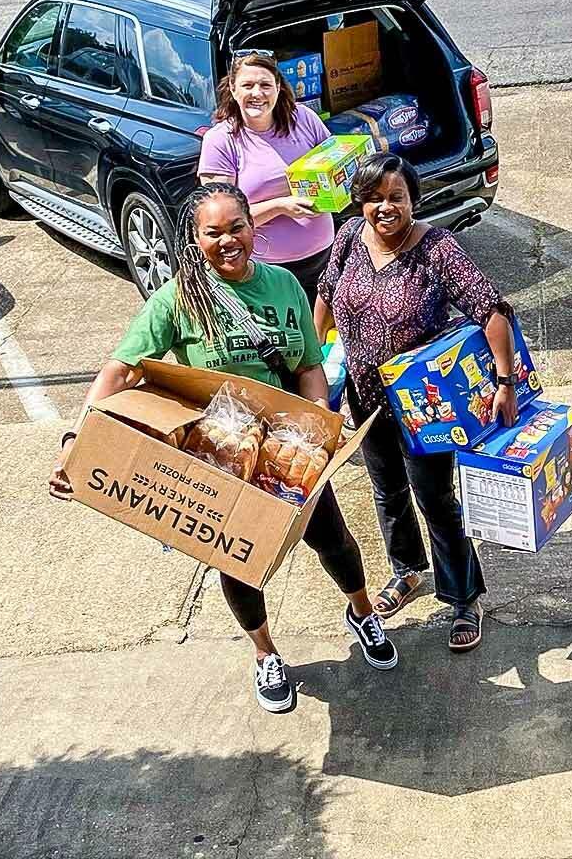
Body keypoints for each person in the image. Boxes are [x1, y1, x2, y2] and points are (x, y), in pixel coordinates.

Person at [49, 182, 397, 714]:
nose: (228, 240)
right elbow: (121, 369)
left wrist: (319, 423)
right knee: (237, 559)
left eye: (237, 227)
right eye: (213, 233)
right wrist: (80, 438)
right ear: (195, 238)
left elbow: (306, 365)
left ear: (253, 228)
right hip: (218, 454)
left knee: (332, 539)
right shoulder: (179, 298)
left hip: (288, 448)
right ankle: (265, 654)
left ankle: (361, 610)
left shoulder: (282, 285)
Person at [314, 154, 519, 653]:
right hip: (366, 401)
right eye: (374, 198)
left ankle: (463, 597)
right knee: (387, 493)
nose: (385, 208)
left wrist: (505, 381)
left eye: (395, 197)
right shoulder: (346, 239)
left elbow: (491, 310)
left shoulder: (437, 248)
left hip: (425, 406)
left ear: (413, 199)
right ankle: (406, 570)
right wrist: (315, 364)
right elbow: (324, 297)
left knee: (435, 499)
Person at [197, 52, 334, 305]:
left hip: (324, 258)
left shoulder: (303, 119)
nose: (257, 93)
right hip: (269, 271)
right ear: (233, 88)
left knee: (326, 340)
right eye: (248, 85)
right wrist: (280, 206)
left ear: (279, 87)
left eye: (265, 85)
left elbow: (336, 164)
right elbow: (222, 221)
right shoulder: (220, 141)